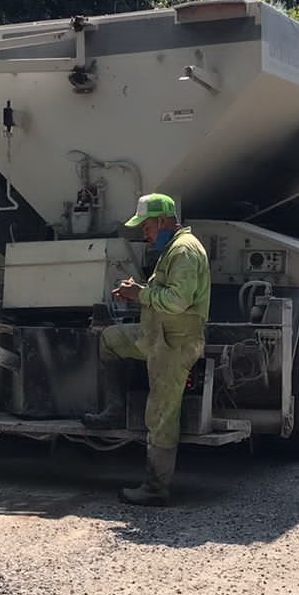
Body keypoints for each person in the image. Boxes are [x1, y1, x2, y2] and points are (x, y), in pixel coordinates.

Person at [83, 192, 211, 506]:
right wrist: (141, 293)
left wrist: (140, 294)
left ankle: (156, 488)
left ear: (163, 221)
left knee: (161, 414)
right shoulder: (174, 248)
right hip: (157, 337)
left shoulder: (184, 252)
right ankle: (114, 411)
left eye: (147, 225)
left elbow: (178, 301)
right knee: (109, 340)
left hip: (174, 344)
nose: (144, 232)